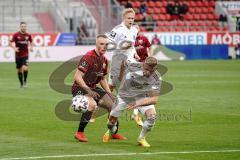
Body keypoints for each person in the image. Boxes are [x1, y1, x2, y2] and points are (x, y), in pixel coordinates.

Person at [72, 34, 125, 142]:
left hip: (93, 88)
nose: (104, 46)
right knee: (92, 105)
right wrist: (88, 90)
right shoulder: (88, 57)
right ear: (96, 44)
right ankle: (79, 132)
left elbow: (102, 78)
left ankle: (113, 132)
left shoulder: (104, 60)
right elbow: (77, 76)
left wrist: (109, 93)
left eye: (106, 44)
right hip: (80, 87)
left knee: (114, 104)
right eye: (101, 44)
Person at [103, 57, 161, 147]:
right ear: (143, 64)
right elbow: (123, 62)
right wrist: (121, 76)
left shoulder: (157, 77)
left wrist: (138, 103)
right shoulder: (133, 65)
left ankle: (141, 138)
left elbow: (154, 99)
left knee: (152, 117)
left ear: (155, 69)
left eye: (151, 71)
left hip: (141, 97)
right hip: (124, 95)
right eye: (146, 69)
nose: (148, 73)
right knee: (111, 122)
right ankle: (111, 131)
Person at [107, 8, 140, 92]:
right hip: (117, 60)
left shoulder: (134, 30)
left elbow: (131, 45)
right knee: (111, 85)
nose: (131, 20)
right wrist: (122, 46)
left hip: (129, 59)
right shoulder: (117, 30)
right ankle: (102, 102)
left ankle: (134, 101)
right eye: (129, 18)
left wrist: (135, 53)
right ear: (124, 18)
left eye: (132, 18)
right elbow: (108, 46)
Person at [132, 25, 154, 126]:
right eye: (134, 28)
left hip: (146, 65)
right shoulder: (130, 40)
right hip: (136, 65)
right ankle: (136, 113)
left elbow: (150, 47)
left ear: (139, 30)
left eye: (137, 28)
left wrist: (151, 57)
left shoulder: (144, 38)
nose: (136, 30)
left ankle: (136, 113)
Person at [9, 22, 33, 88]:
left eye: (25, 26)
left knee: (25, 68)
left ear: (26, 27)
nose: (23, 27)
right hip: (18, 55)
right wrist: (14, 48)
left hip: (25, 54)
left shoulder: (28, 35)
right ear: (20, 27)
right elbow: (10, 43)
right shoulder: (16, 35)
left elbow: (31, 41)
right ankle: (21, 84)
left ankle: (25, 81)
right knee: (19, 70)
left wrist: (31, 47)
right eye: (22, 26)